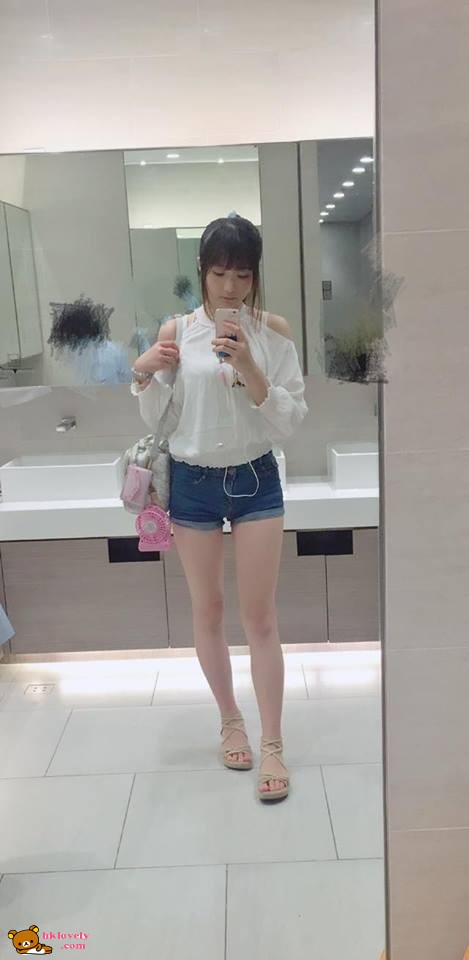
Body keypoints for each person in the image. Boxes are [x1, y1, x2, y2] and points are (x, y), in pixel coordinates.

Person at [130, 214, 308, 802]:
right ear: (202, 273)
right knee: (207, 610)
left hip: (256, 476)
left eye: (243, 275)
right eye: (219, 273)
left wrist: (250, 366)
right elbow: (163, 420)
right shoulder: (177, 331)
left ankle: (273, 742)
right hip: (192, 481)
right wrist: (143, 375)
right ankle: (231, 720)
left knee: (261, 618)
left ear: (255, 277)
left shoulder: (272, 331)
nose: (231, 287)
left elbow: (289, 421)